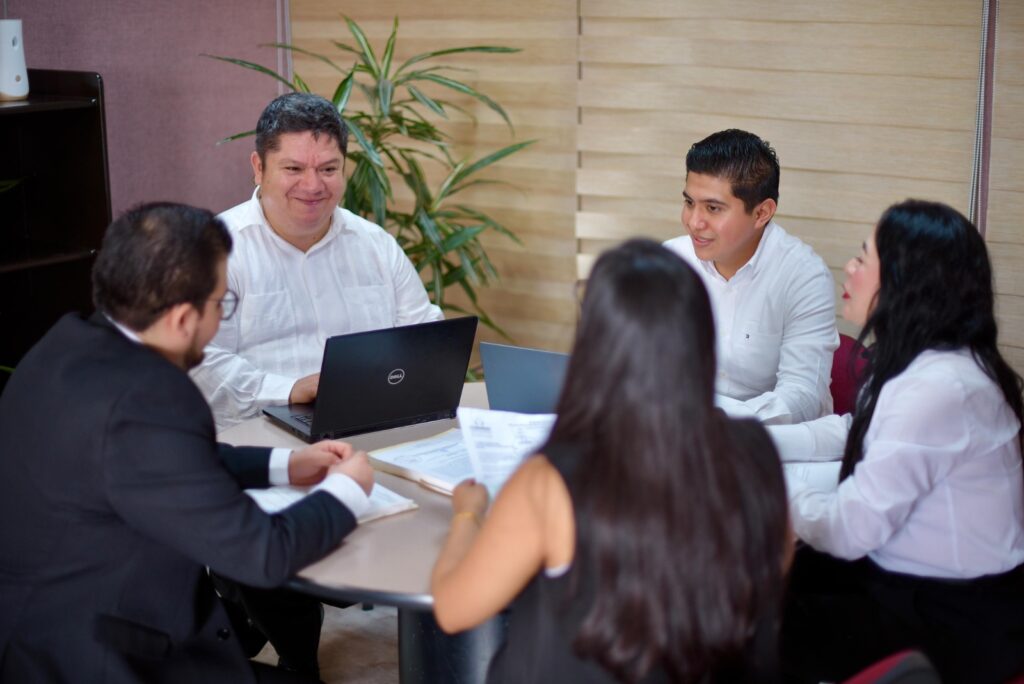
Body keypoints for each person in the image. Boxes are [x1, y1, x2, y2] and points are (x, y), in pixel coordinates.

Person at [0, 203, 374, 683]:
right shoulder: (152, 399)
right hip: (101, 659)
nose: (220, 318)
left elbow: (156, 460)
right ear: (181, 319)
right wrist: (347, 489)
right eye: (221, 304)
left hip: (41, 627)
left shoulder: (66, 345)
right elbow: (263, 554)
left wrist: (284, 464)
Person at [431, 239, 791, 683]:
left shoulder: (551, 480)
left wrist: (466, 515)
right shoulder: (757, 451)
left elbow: (454, 609)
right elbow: (769, 574)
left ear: (597, 343)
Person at [777, 200, 1024, 683]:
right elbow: (858, 432)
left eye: (863, 257)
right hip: (909, 578)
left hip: (955, 617)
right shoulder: (925, 361)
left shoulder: (938, 388)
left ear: (905, 282)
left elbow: (848, 530)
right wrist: (759, 444)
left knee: (754, 621)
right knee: (766, 585)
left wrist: (774, 489)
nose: (849, 268)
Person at [191, 92, 442, 431]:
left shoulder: (376, 244)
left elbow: (425, 336)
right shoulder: (215, 250)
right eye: (293, 169)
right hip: (258, 436)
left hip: (372, 423)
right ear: (259, 168)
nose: (312, 185)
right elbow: (199, 362)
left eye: (328, 169)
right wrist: (290, 390)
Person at [664, 129, 837, 424]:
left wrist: (716, 422)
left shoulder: (804, 276)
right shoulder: (670, 262)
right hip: (682, 431)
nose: (693, 222)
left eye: (713, 208)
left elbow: (803, 395)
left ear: (761, 213)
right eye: (689, 203)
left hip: (768, 439)